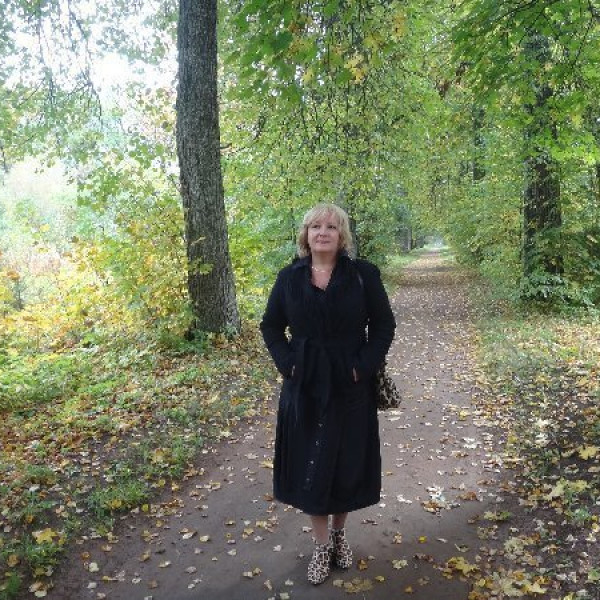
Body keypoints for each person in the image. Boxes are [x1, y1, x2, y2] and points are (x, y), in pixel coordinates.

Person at [259, 203, 396, 585]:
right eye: (315, 226)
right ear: (306, 234)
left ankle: (339, 534)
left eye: (331, 227)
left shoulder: (363, 276)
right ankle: (321, 546)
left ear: (342, 235)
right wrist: (289, 364)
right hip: (304, 384)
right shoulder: (289, 278)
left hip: (350, 385)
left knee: (345, 462)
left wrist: (361, 367)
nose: (323, 232)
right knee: (311, 463)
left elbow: (384, 326)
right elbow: (271, 326)